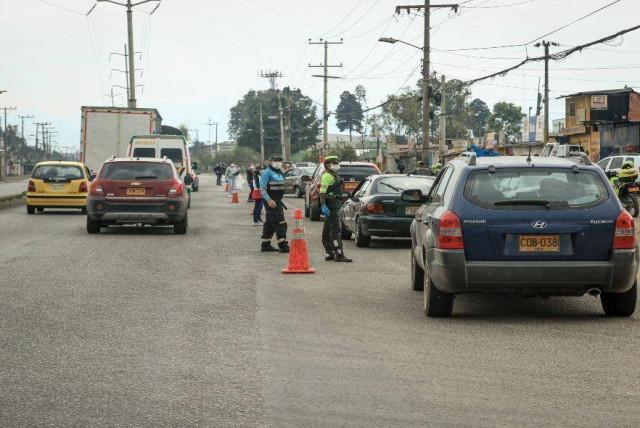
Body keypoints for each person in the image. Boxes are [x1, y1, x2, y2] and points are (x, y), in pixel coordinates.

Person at [319, 156, 352, 262]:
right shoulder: (327, 176)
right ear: (327, 164)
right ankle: (339, 254)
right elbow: (322, 192)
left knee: (327, 231)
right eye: (334, 163)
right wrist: (323, 205)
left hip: (335, 205)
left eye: (337, 163)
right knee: (336, 231)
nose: (337, 165)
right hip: (331, 206)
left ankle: (330, 252)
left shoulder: (334, 175)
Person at [260, 155, 289, 253]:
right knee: (281, 222)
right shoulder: (266, 172)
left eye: (280, 161)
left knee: (270, 222)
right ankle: (283, 244)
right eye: (276, 161)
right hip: (271, 201)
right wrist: (269, 200)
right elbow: (262, 188)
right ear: (270, 161)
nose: (278, 163)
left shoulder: (279, 172)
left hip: (277, 200)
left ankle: (265, 244)